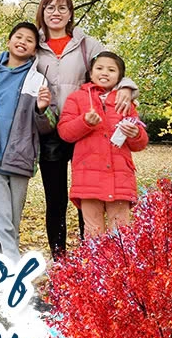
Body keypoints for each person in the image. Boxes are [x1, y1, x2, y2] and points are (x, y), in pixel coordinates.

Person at [34, 0, 137, 257]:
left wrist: (127, 87)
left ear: (70, 14)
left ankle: (88, 257)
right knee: (55, 199)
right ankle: (60, 257)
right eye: (50, 7)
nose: (55, 13)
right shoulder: (36, 44)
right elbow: (13, 60)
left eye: (62, 8)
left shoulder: (86, 44)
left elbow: (111, 67)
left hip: (87, 129)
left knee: (87, 196)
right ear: (42, 12)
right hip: (50, 129)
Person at [0, 23, 56, 262]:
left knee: (12, 220)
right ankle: (15, 272)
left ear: (34, 49)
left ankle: (6, 268)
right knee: (1, 219)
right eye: (18, 36)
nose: (23, 41)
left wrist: (41, 109)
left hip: (21, 157)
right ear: (8, 41)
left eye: (29, 40)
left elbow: (48, 124)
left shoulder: (38, 80)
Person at [57, 51, 148, 238]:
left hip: (121, 177)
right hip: (87, 177)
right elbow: (65, 132)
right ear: (91, 73)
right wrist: (85, 122)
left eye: (111, 70)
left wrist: (136, 134)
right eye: (99, 68)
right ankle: (93, 268)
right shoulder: (77, 98)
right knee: (93, 232)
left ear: (120, 77)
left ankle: (120, 268)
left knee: (121, 232)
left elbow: (140, 143)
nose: (104, 73)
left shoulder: (126, 102)